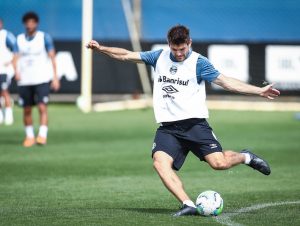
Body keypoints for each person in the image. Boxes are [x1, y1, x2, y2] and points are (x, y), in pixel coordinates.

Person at [86, 25, 280, 216]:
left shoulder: (199, 63)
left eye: (183, 48)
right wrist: (101, 48)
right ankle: (188, 204)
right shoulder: (158, 57)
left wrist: (259, 91)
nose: (179, 53)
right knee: (159, 163)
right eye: (175, 49)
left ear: (190, 43)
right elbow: (126, 55)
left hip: (195, 125)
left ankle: (246, 157)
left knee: (219, 163)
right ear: (169, 44)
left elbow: (227, 82)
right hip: (168, 128)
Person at [15, 12, 60, 147]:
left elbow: (52, 57)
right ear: (24, 24)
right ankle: (29, 136)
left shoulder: (43, 37)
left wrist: (55, 77)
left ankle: (42, 135)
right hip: (25, 79)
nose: (30, 25)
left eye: (32, 22)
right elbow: (15, 57)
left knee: (42, 107)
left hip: (41, 78)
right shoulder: (19, 39)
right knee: (27, 109)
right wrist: (16, 71)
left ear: (36, 23)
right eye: (27, 22)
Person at [0, 18, 18, 125]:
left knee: (4, 91)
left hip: (4, 70)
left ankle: (9, 114)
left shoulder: (6, 35)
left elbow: (16, 50)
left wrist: (11, 61)